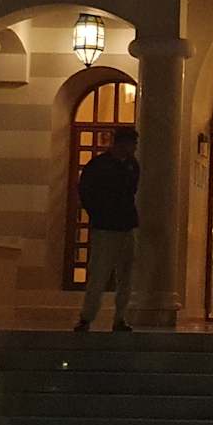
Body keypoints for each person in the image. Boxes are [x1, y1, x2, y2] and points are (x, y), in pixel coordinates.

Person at [75, 128, 139, 332]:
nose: (134, 148)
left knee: (126, 276)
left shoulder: (131, 165)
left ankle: (120, 318)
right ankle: (87, 317)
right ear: (122, 143)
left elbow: (131, 191)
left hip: (126, 226)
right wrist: (99, 214)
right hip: (105, 228)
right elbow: (86, 192)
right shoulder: (99, 166)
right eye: (132, 143)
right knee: (99, 275)